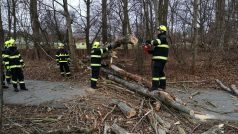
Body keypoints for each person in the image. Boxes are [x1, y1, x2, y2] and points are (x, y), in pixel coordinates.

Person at [147, 25, 169, 91]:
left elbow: (156, 42)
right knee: (160, 72)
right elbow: (158, 50)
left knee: (155, 72)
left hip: (159, 60)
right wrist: (149, 51)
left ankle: (154, 87)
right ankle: (162, 86)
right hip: (162, 59)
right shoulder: (163, 39)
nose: (157, 32)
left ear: (162, 31)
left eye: (158, 30)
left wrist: (149, 42)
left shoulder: (162, 37)